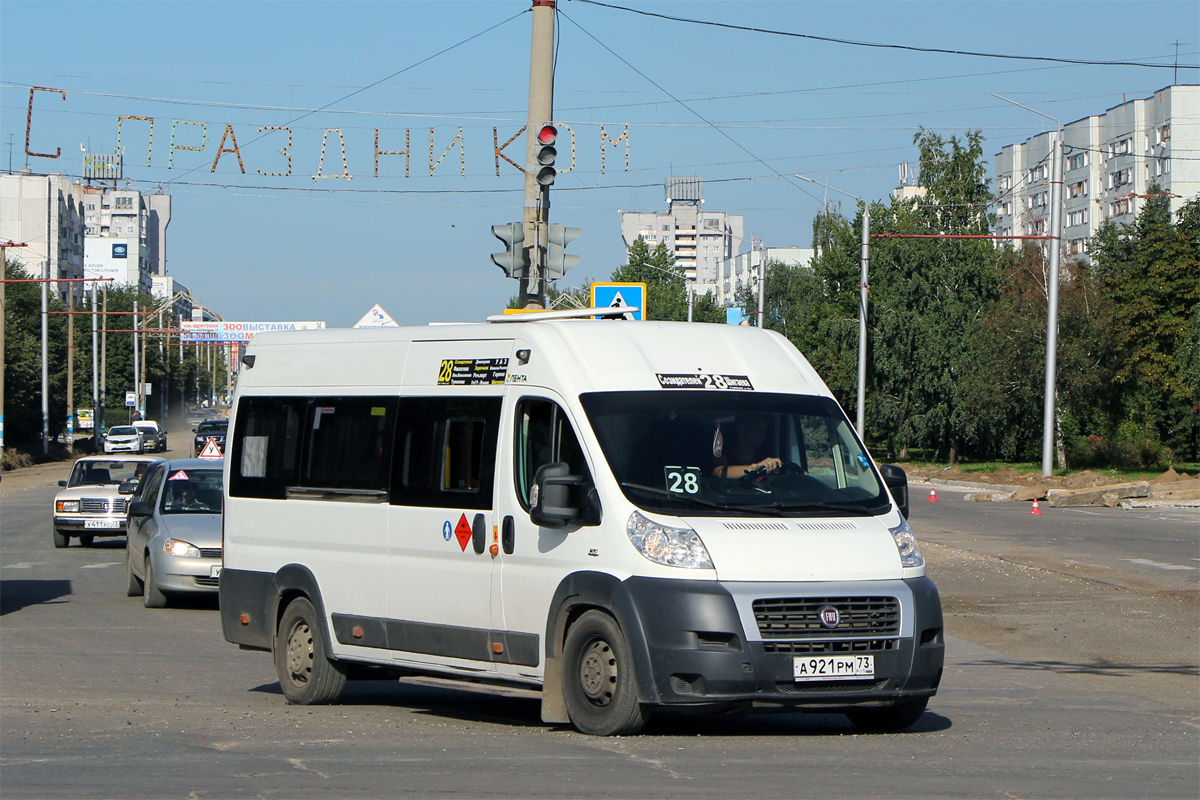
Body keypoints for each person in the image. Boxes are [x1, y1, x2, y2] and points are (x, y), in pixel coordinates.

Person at [712, 414, 782, 479]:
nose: (762, 434)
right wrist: (755, 468)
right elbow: (718, 472)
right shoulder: (725, 456)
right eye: (758, 429)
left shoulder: (763, 458)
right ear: (741, 429)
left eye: (764, 430)